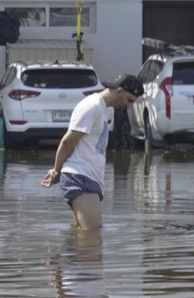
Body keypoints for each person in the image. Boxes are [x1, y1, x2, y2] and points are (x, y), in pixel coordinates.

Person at [41, 73, 144, 229]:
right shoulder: (93, 106)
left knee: (82, 235)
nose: (129, 106)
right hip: (81, 177)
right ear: (120, 91)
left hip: (86, 177)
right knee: (91, 237)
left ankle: (64, 253)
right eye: (129, 100)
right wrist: (56, 171)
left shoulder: (102, 109)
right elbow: (68, 141)